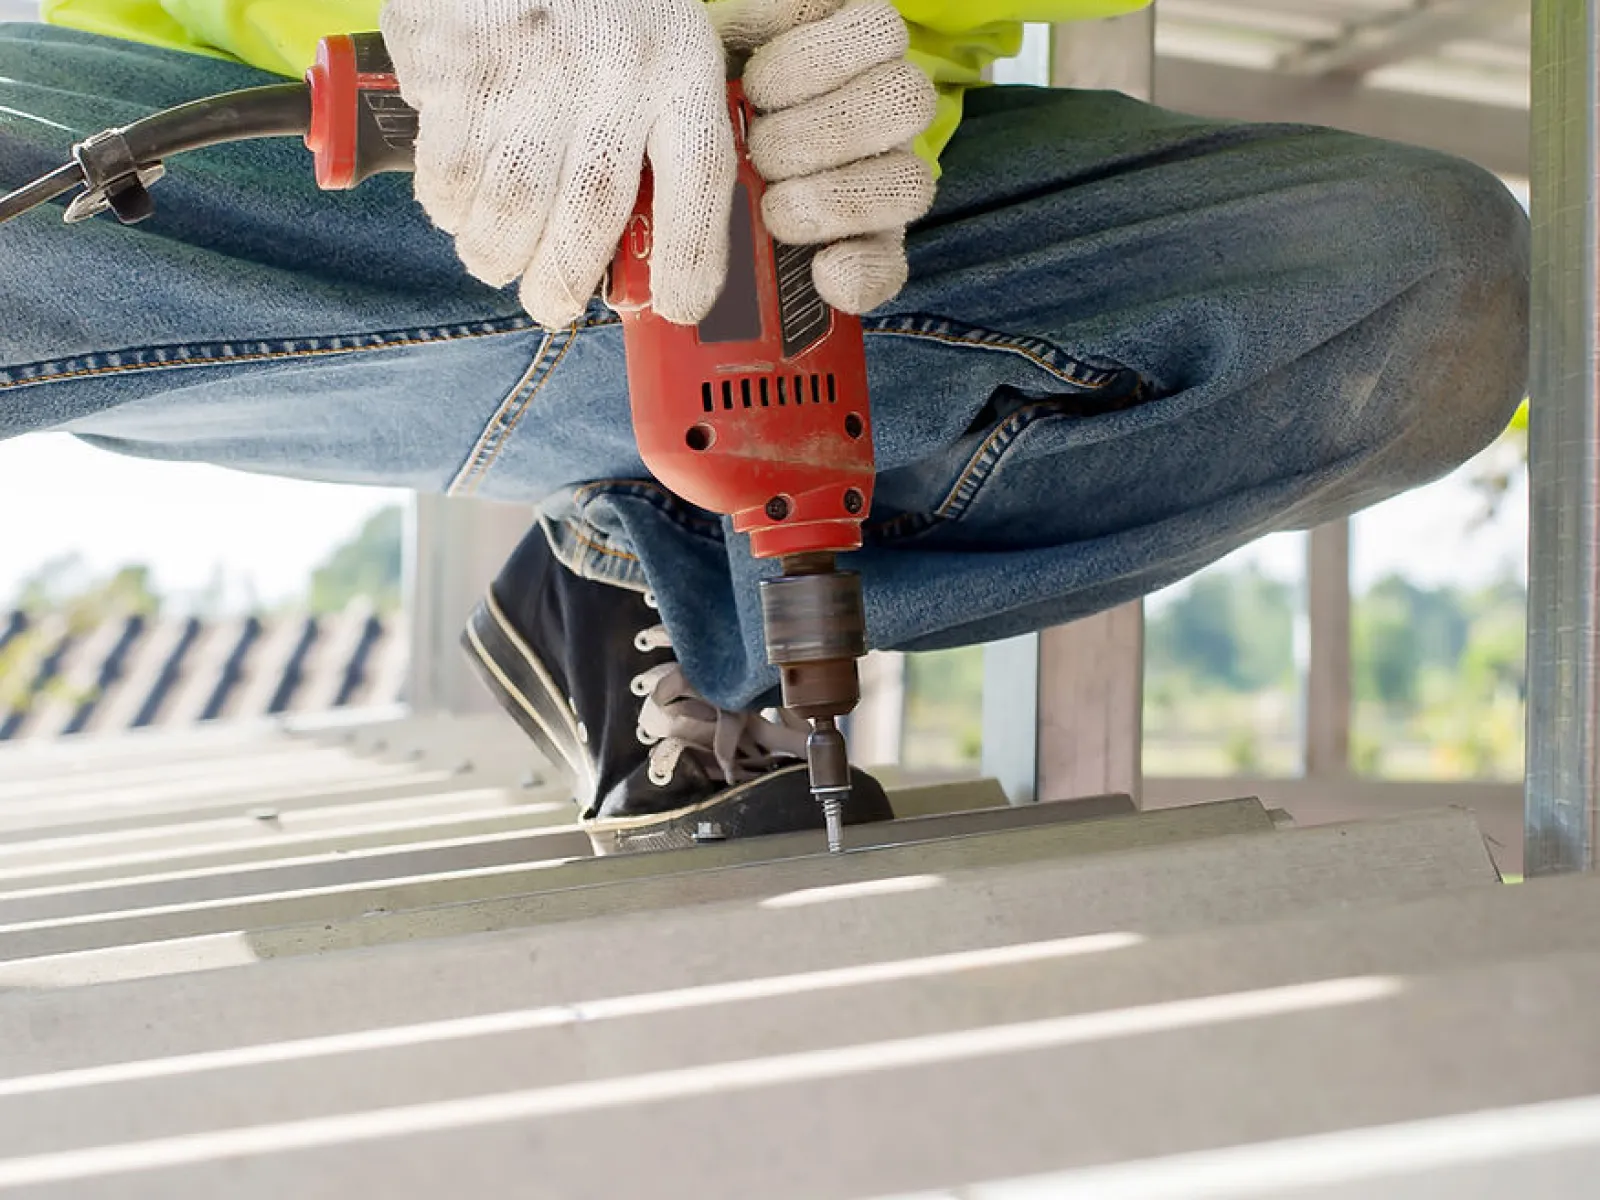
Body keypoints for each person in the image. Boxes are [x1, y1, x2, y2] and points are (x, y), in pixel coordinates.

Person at [0, 1, 1530, 853]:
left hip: (784, 211)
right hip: (285, 193)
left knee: (1429, 284)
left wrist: (834, 69)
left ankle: (649, 563)